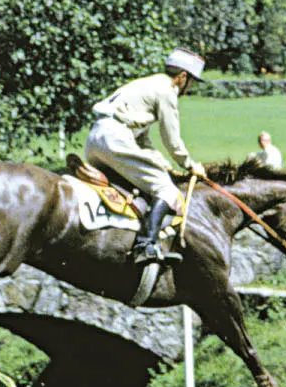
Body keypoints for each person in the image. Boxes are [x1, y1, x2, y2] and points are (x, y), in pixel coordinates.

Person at [84, 49, 208, 263]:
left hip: (95, 139)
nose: (190, 88)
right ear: (183, 77)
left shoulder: (148, 83)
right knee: (166, 190)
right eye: (192, 82)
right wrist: (190, 165)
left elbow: (142, 141)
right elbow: (172, 139)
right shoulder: (167, 91)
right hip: (115, 140)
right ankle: (145, 245)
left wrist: (163, 164)